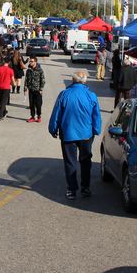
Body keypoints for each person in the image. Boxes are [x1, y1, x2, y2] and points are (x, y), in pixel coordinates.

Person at [48, 70, 102, 200]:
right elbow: (96, 116)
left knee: (70, 161)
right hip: (86, 134)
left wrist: (53, 129)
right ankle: (85, 188)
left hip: (68, 134)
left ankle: (72, 190)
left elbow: (57, 114)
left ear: (73, 80)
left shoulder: (64, 94)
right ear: (85, 81)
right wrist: (96, 130)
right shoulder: (91, 95)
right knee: (85, 161)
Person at [24, 56, 46, 122]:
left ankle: (39, 116)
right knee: (31, 104)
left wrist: (41, 89)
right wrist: (25, 88)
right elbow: (26, 80)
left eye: (31, 61)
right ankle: (32, 117)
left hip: (37, 90)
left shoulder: (40, 70)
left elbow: (43, 80)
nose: (30, 62)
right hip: (31, 90)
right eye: (30, 61)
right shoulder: (28, 70)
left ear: (35, 62)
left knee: (38, 104)